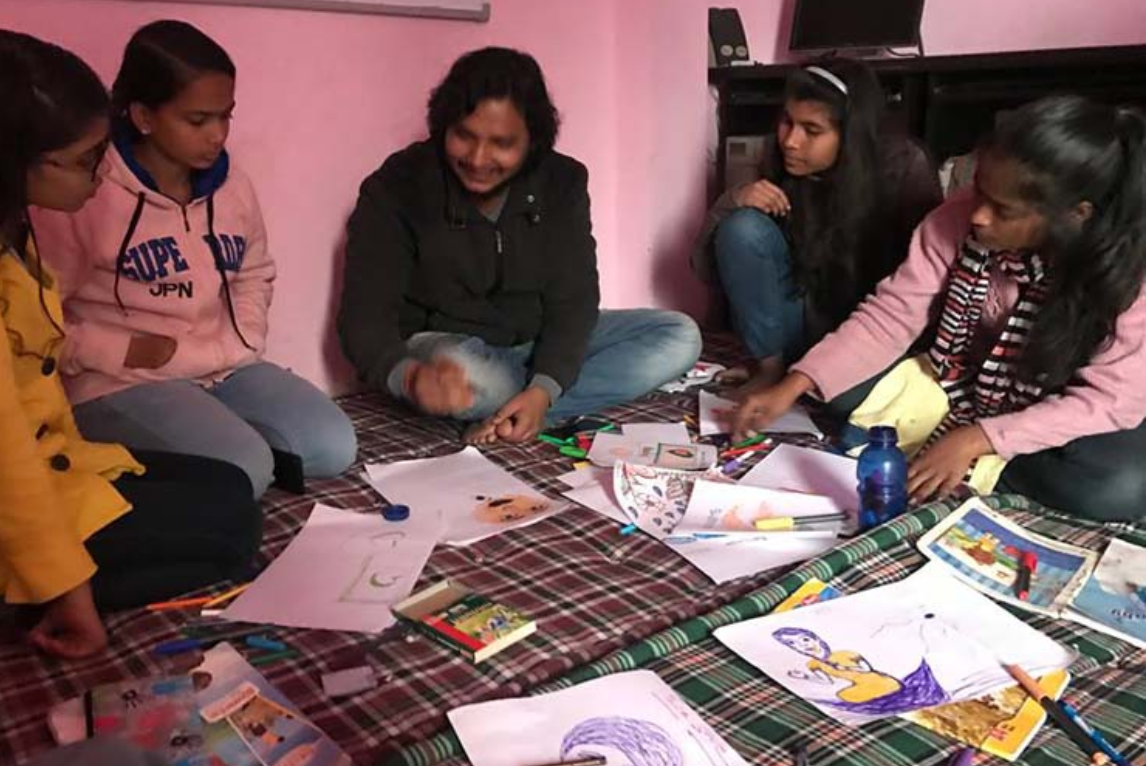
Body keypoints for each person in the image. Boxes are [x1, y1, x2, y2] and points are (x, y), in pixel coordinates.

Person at [0, 30, 261, 658]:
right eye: (83, 160)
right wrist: (67, 589)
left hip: (46, 462)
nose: (101, 173)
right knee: (231, 535)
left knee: (232, 488)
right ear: (9, 160)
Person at [731, 96, 1146, 521]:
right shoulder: (955, 219)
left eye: (1003, 210)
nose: (978, 216)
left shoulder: (1129, 274)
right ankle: (996, 464)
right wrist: (794, 384)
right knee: (836, 391)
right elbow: (891, 315)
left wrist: (978, 438)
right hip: (964, 380)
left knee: (1120, 488)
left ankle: (992, 458)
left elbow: (1112, 399)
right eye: (979, 190)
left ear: (1076, 215)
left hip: (1071, 404)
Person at [33, 20, 356, 497]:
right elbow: (36, 320)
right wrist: (118, 350)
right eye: (198, 120)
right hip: (121, 379)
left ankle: (224, 445)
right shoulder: (84, 192)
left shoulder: (232, 184)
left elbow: (254, 271)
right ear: (144, 116)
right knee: (243, 471)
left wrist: (245, 337)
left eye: (226, 117)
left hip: (222, 367)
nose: (217, 135)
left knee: (333, 446)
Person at [338, 46, 701, 444]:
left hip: (535, 340)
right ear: (443, 126)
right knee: (465, 373)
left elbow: (574, 298)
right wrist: (409, 377)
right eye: (463, 136)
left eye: (502, 143)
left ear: (533, 142)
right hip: (452, 349)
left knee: (679, 335)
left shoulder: (562, 182)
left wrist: (545, 388)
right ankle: (509, 404)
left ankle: (521, 408)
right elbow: (363, 318)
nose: (478, 158)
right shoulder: (396, 186)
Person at [693, 59, 942, 397]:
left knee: (845, 401)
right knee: (743, 228)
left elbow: (924, 286)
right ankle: (769, 369)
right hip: (802, 325)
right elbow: (705, 269)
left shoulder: (903, 168)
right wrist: (733, 200)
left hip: (872, 332)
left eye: (812, 130)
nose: (791, 141)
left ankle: (809, 379)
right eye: (787, 122)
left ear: (851, 135)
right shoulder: (778, 160)